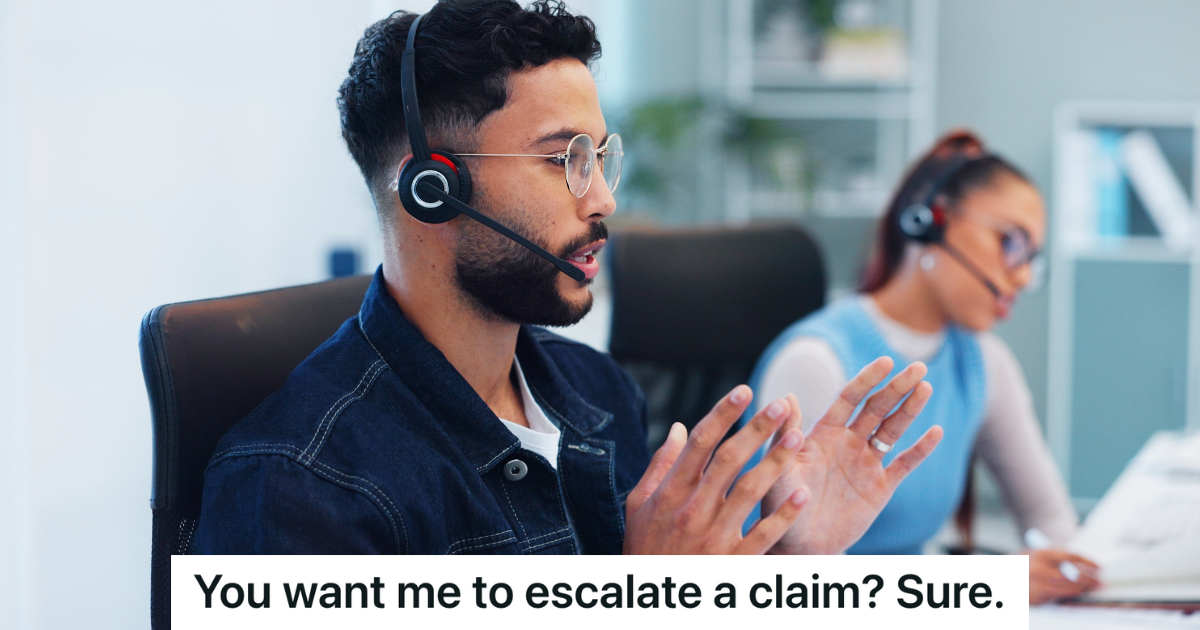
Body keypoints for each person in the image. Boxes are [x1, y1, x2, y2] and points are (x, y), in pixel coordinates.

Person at [193, 0, 943, 555]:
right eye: (563, 161)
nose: (604, 198)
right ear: (431, 189)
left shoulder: (595, 392)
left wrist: (791, 562)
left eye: (599, 157)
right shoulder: (303, 486)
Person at [746, 130, 1101, 600]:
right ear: (928, 222)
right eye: (1011, 244)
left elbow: (1051, 522)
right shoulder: (816, 361)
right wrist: (980, 587)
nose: (1020, 275)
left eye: (1031, 258)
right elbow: (783, 588)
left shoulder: (983, 363)